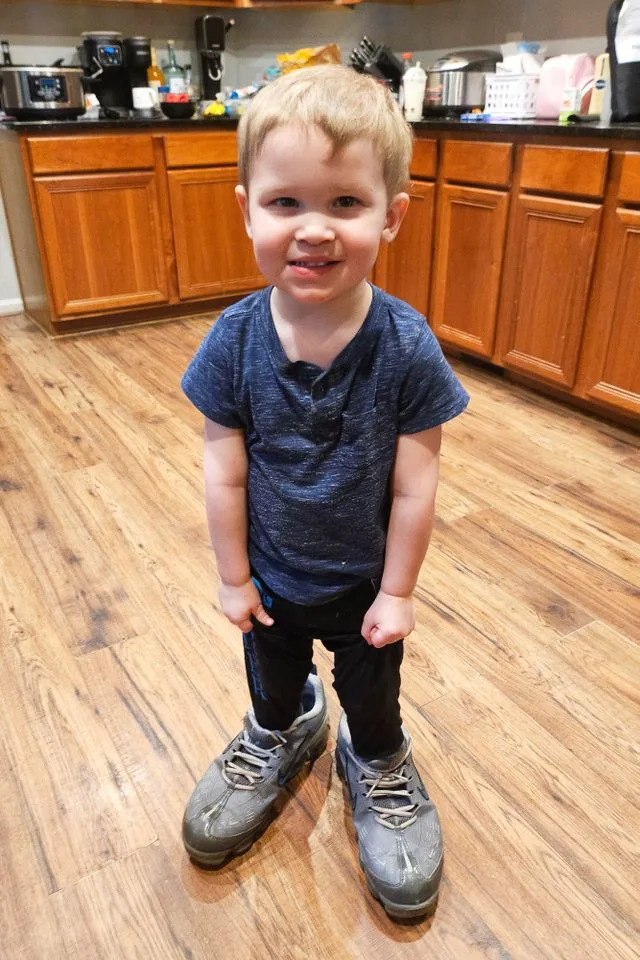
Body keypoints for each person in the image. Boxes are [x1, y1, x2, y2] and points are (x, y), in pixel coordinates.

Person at [180, 64, 469, 920]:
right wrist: (234, 577)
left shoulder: (407, 347)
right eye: (286, 203)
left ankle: (374, 761)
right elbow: (224, 470)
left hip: (365, 587)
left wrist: (398, 591)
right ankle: (283, 731)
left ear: (392, 216)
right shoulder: (233, 341)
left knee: (373, 703)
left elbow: (416, 487)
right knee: (273, 686)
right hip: (271, 580)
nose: (314, 229)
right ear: (247, 211)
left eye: (345, 202)